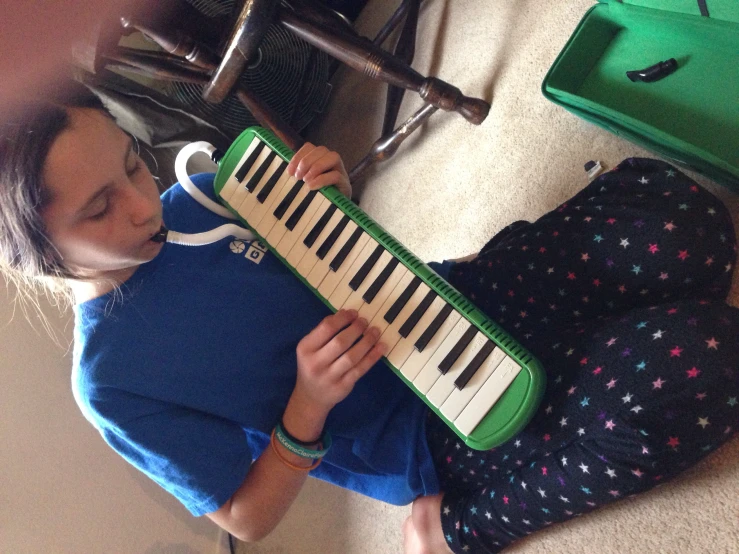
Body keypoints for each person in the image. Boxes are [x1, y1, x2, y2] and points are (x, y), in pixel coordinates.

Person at [1, 83, 738, 554]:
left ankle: (592, 339)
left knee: (683, 221)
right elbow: (246, 519)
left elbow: (345, 259)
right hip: (425, 429)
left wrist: (333, 200)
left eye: (132, 165)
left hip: (444, 302)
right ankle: (455, 530)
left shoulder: (199, 199)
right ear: (39, 255)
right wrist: (307, 404)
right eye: (98, 209)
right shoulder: (112, 383)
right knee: (701, 361)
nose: (141, 202)